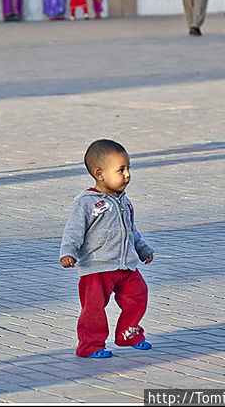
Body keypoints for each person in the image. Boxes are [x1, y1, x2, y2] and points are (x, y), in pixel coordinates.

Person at [60, 139, 154, 358]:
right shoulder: (86, 203)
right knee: (93, 310)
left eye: (128, 169)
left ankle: (128, 333)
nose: (127, 174)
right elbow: (73, 230)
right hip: (96, 268)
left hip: (125, 265)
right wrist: (68, 252)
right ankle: (90, 346)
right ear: (100, 174)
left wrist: (143, 249)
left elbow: (131, 231)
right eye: (120, 170)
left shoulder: (125, 202)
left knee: (139, 295)